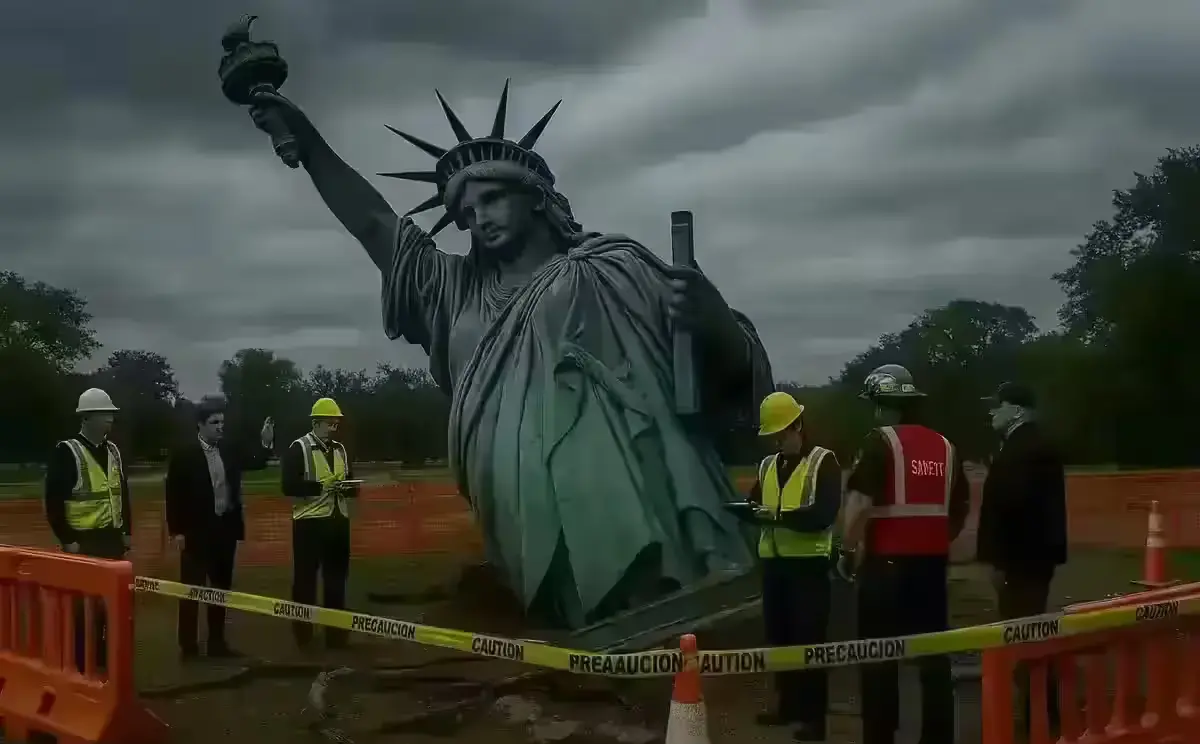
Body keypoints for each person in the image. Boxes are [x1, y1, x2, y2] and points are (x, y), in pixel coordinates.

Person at [240, 81, 772, 630]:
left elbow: (727, 376)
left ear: (536, 195)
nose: (478, 219)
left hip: (638, 491)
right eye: (466, 213)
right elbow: (376, 224)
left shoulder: (613, 267)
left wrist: (713, 319)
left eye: (491, 199)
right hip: (517, 504)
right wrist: (309, 143)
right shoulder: (452, 289)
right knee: (574, 619)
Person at [835, 364, 969, 744]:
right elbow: (959, 509)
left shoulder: (881, 443)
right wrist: (934, 542)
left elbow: (859, 503)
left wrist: (846, 548)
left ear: (883, 405)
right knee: (933, 656)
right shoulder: (947, 447)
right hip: (931, 567)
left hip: (886, 566)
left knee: (879, 655)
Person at [734, 391, 841, 742]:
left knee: (810, 641)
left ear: (798, 426)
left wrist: (779, 517)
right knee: (779, 638)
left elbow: (823, 515)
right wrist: (742, 511)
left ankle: (814, 717)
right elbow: (755, 505)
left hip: (809, 567)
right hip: (775, 566)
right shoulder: (769, 466)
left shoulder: (824, 462)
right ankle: (788, 706)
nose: (779, 441)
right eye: (774, 436)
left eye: (783, 434)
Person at [977, 381, 1067, 733]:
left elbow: (1012, 510)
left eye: (996, 406)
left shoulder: (1020, 450)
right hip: (1034, 560)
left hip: (1022, 563)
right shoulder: (1032, 445)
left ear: (1015, 409)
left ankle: (1040, 718)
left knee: (1023, 636)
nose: (991, 412)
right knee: (1028, 632)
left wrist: (999, 561)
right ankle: (1042, 713)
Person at [165, 394, 275, 660]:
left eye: (222, 422)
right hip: (195, 533)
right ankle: (188, 647)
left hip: (224, 531)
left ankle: (217, 643)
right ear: (200, 426)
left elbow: (257, 461)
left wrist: (266, 441)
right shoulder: (184, 455)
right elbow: (173, 494)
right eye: (214, 422)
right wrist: (177, 531)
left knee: (220, 589)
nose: (220, 427)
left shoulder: (230, 450)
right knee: (191, 591)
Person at [43, 387, 131, 673]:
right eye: (106, 414)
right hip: (83, 543)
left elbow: (121, 492)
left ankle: (103, 658)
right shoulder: (67, 452)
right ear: (87, 417)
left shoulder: (113, 451)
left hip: (111, 540)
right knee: (84, 610)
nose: (110, 420)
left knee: (111, 608)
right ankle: (81, 662)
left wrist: (126, 529)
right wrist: (68, 540)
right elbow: (54, 501)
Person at [280, 398, 359, 649]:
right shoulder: (298, 448)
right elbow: (288, 486)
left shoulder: (340, 450)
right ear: (316, 423)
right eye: (330, 423)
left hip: (338, 521)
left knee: (336, 580)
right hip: (309, 524)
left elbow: (350, 481)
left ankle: (336, 634)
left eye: (336, 423)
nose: (334, 427)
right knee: (305, 581)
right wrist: (320, 487)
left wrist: (348, 488)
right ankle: (303, 634)